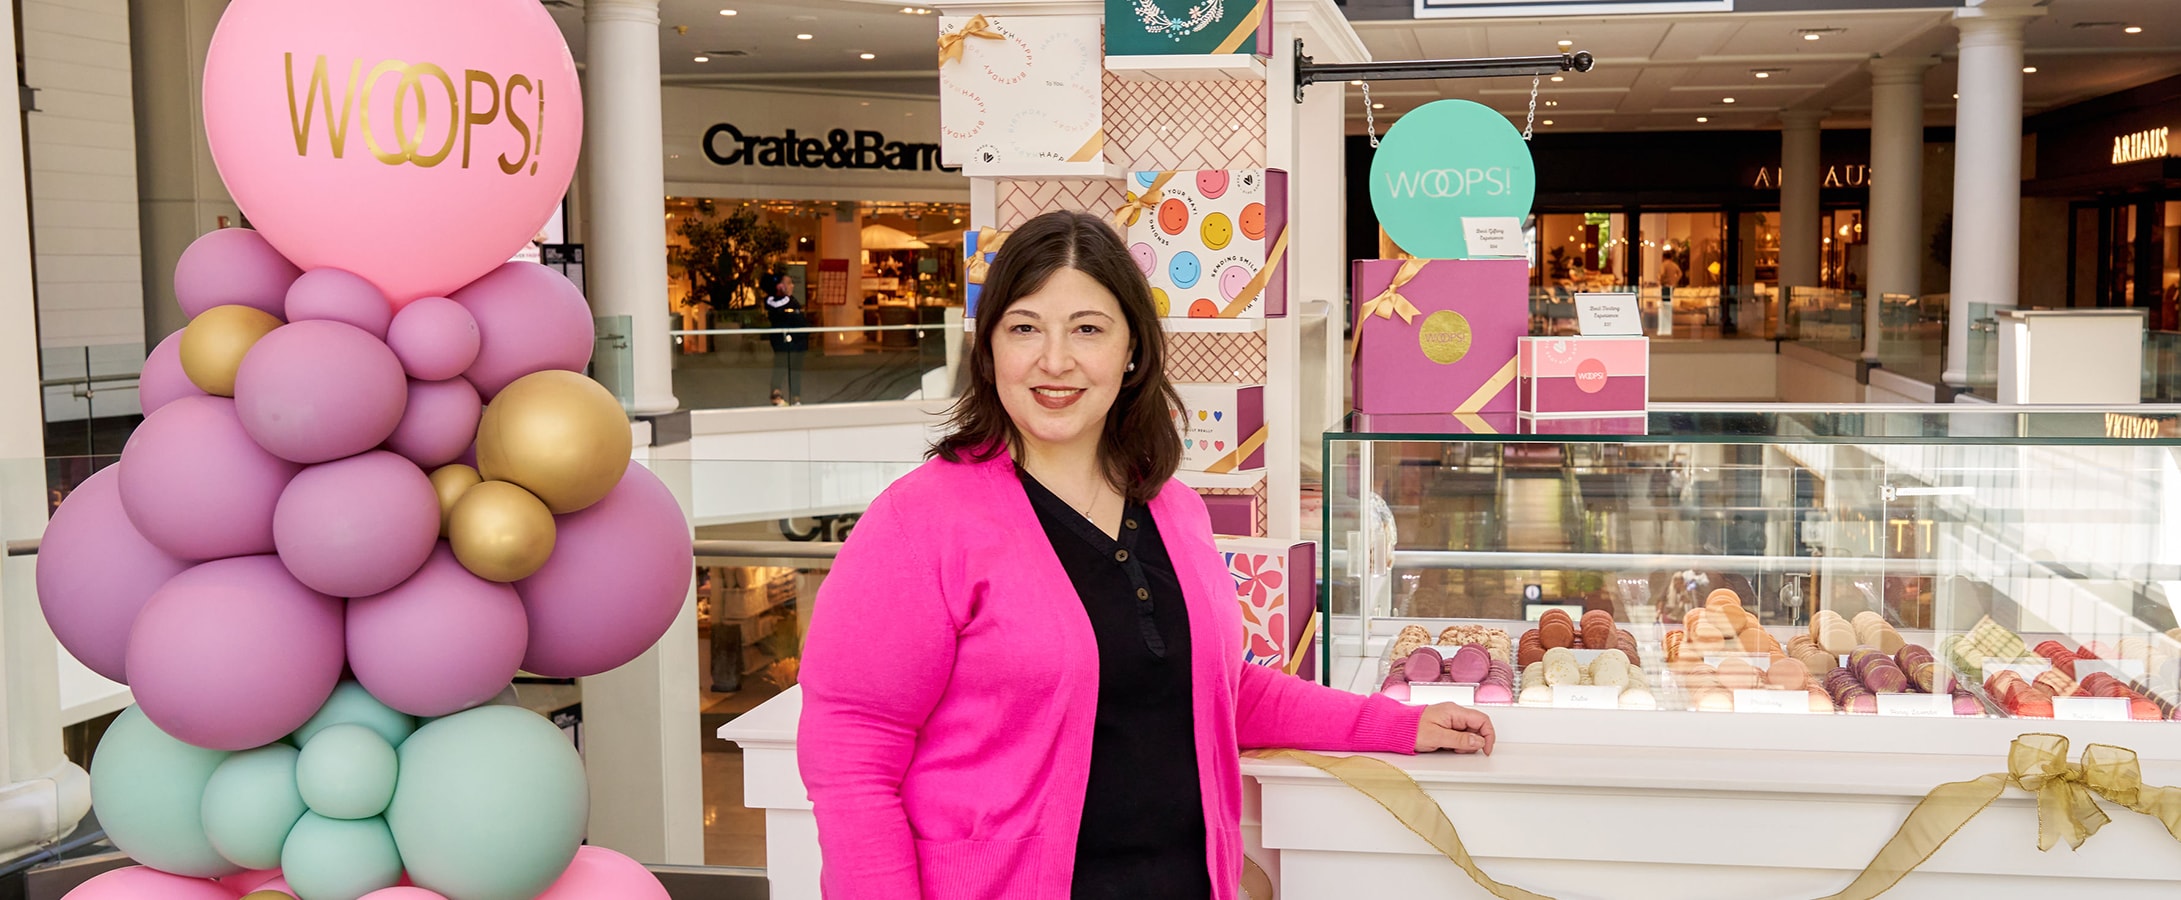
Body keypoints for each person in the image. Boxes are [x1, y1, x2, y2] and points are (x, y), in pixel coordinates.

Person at [797, 211, 1494, 900]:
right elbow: (852, 751)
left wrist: (1392, 725)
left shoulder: (1171, 509)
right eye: (1024, 328)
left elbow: (1216, 688)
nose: (1054, 360)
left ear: (1132, 350)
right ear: (987, 351)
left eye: (1088, 329)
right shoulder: (920, 522)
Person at [765, 273, 808, 404]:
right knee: (781, 365)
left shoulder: (793, 300)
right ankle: (776, 393)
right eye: (788, 283)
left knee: (796, 371)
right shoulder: (773, 300)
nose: (792, 286)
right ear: (780, 286)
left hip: (798, 342)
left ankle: (796, 398)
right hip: (782, 341)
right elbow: (776, 307)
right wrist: (783, 294)